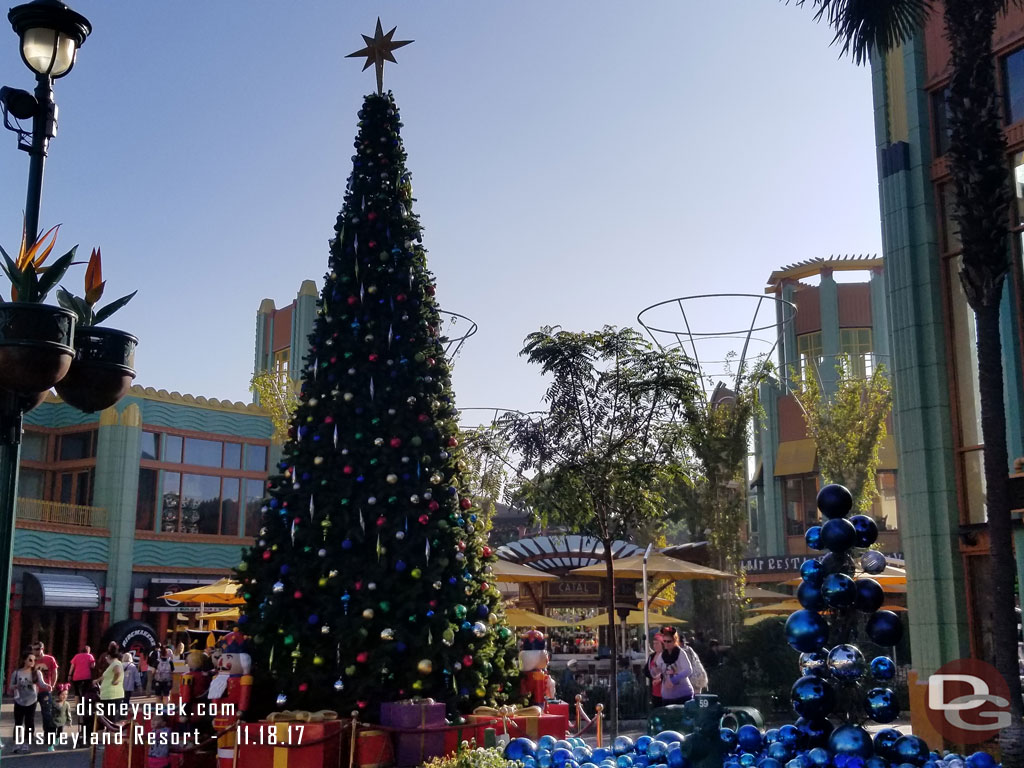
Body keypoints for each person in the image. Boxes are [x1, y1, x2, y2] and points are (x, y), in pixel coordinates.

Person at [8, 651, 44, 753]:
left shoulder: (36, 672)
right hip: (19, 700)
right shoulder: (17, 673)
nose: (32, 662)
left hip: (31, 700)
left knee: (29, 722)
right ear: (24, 660)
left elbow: (41, 683)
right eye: (30, 659)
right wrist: (15, 686)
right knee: (18, 722)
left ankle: (26, 743)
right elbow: (11, 685)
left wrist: (48, 686)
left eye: (34, 660)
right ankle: (17, 744)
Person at [651, 626, 693, 704]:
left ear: (675, 640)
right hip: (667, 697)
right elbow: (654, 672)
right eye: (664, 641)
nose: (666, 644)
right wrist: (655, 671)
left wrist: (673, 680)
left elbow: (689, 670)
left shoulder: (681, 653)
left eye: (669, 641)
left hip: (683, 696)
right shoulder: (662, 655)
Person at [31, 641, 58, 737]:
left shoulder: (50, 659)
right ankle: (29, 736)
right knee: (30, 715)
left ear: (42, 649)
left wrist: (53, 685)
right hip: (32, 691)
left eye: (37, 649)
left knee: (47, 713)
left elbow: (55, 672)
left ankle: (48, 735)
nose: (35, 651)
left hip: (45, 691)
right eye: (33, 649)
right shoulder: (31, 660)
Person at [99, 642, 125, 721]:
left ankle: (111, 733)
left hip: (112, 695)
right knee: (109, 718)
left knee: (110, 719)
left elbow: (118, 672)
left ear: (109, 656)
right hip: (109, 695)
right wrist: (97, 680)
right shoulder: (113, 664)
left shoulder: (115, 663)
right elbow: (106, 676)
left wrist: (115, 681)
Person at [644, 633, 664, 707]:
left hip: (665, 691)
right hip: (654, 691)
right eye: (654, 644)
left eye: (657, 643)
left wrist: (660, 677)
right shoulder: (651, 656)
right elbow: (646, 671)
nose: (655, 646)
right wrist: (652, 675)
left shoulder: (667, 655)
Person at [52, 684, 73, 750]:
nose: (64, 696)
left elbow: (68, 713)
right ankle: (51, 743)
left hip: (62, 721)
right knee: (52, 732)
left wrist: (69, 721)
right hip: (54, 721)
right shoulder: (54, 703)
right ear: (58, 695)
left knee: (59, 731)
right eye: (62, 694)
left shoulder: (67, 704)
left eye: (66, 694)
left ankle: (57, 738)